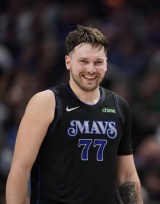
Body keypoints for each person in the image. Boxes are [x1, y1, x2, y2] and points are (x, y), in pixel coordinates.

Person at [6, 25, 143, 204]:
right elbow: (20, 169)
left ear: (107, 63)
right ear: (68, 62)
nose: (91, 69)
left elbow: (127, 176)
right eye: (83, 61)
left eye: (98, 62)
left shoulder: (119, 106)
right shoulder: (46, 102)